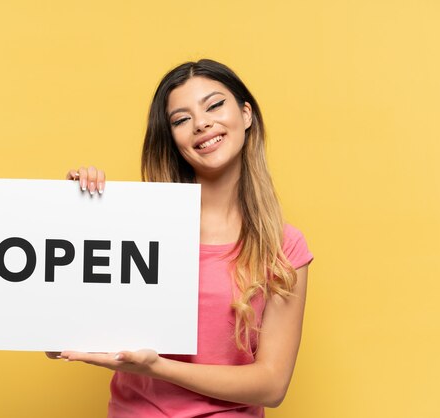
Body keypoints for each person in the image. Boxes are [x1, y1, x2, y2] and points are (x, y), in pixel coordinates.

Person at [46, 59, 314, 417]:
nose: (201, 123)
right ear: (171, 137)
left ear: (246, 114)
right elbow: (55, 343)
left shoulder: (284, 246)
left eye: (214, 105)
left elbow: (272, 384)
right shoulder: (134, 224)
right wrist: (76, 218)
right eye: (181, 119)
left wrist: (157, 368)